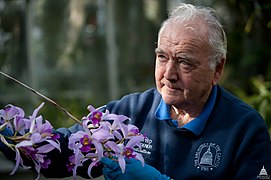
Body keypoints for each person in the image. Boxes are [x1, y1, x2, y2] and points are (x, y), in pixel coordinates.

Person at [1, 3, 271, 180]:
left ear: (217, 70)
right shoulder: (130, 113)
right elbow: (64, 152)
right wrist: (19, 141)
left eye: (185, 61)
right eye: (162, 57)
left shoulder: (245, 130)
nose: (168, 74)